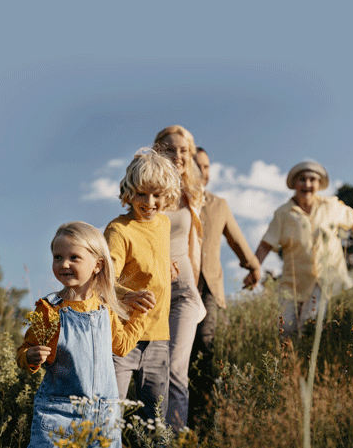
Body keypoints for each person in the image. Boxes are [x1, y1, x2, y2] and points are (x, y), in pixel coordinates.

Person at [16, 221, 151, 448]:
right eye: (57, 257)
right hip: (60, 416)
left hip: (104, 418)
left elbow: (121, 346)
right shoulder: (49, 310)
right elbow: (24, 350)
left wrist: (141, 314)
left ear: (97, 265)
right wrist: (30, 356)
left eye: (74, 258)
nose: (64, 264)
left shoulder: (104, 308)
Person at [104, 149, 182, 422]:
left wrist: (166, 264)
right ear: (129, 192)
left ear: (168, 195)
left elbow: (150, 252)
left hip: (158, 336)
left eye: (157, 195)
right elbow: (102, 280)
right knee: (110, 414)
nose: (150, 202)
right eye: (141, 194)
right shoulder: (119, 230)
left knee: (154, 420)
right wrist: (128, 296)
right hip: (123, 337)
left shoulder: (163, 223)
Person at [188, 147, 261, 428]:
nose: (203, 172)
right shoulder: (172, 201)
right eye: (197, 166)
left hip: (209, 288)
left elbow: (236, 238)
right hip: (178, 286)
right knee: (179, 353)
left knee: (206, 347)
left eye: (207, 166)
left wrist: (253, 266)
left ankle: (203, 421)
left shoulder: (219, 204)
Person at [255, 161, 353, 338]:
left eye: (312, 180)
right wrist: (254, 269)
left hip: (323, 280)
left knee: (310, 328)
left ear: (318, 184)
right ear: (294, 184)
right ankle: (290, 364)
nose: (307, 185)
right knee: (287, 330)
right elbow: (266, 244)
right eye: (302, 179)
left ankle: (308, 362)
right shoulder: (283, 213)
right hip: (292, 282)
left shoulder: (331, 206)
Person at [153, 125, 205, 430]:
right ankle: (151, 431)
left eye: (184, 150)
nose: (178, 156)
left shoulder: (192, 194)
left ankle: (173, 435)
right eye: (170, 149)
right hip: (151, 293)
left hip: (184, 292)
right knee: (152, 370)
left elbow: (194, 247)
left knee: (175, 367)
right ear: (158, 151)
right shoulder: (146, 190)